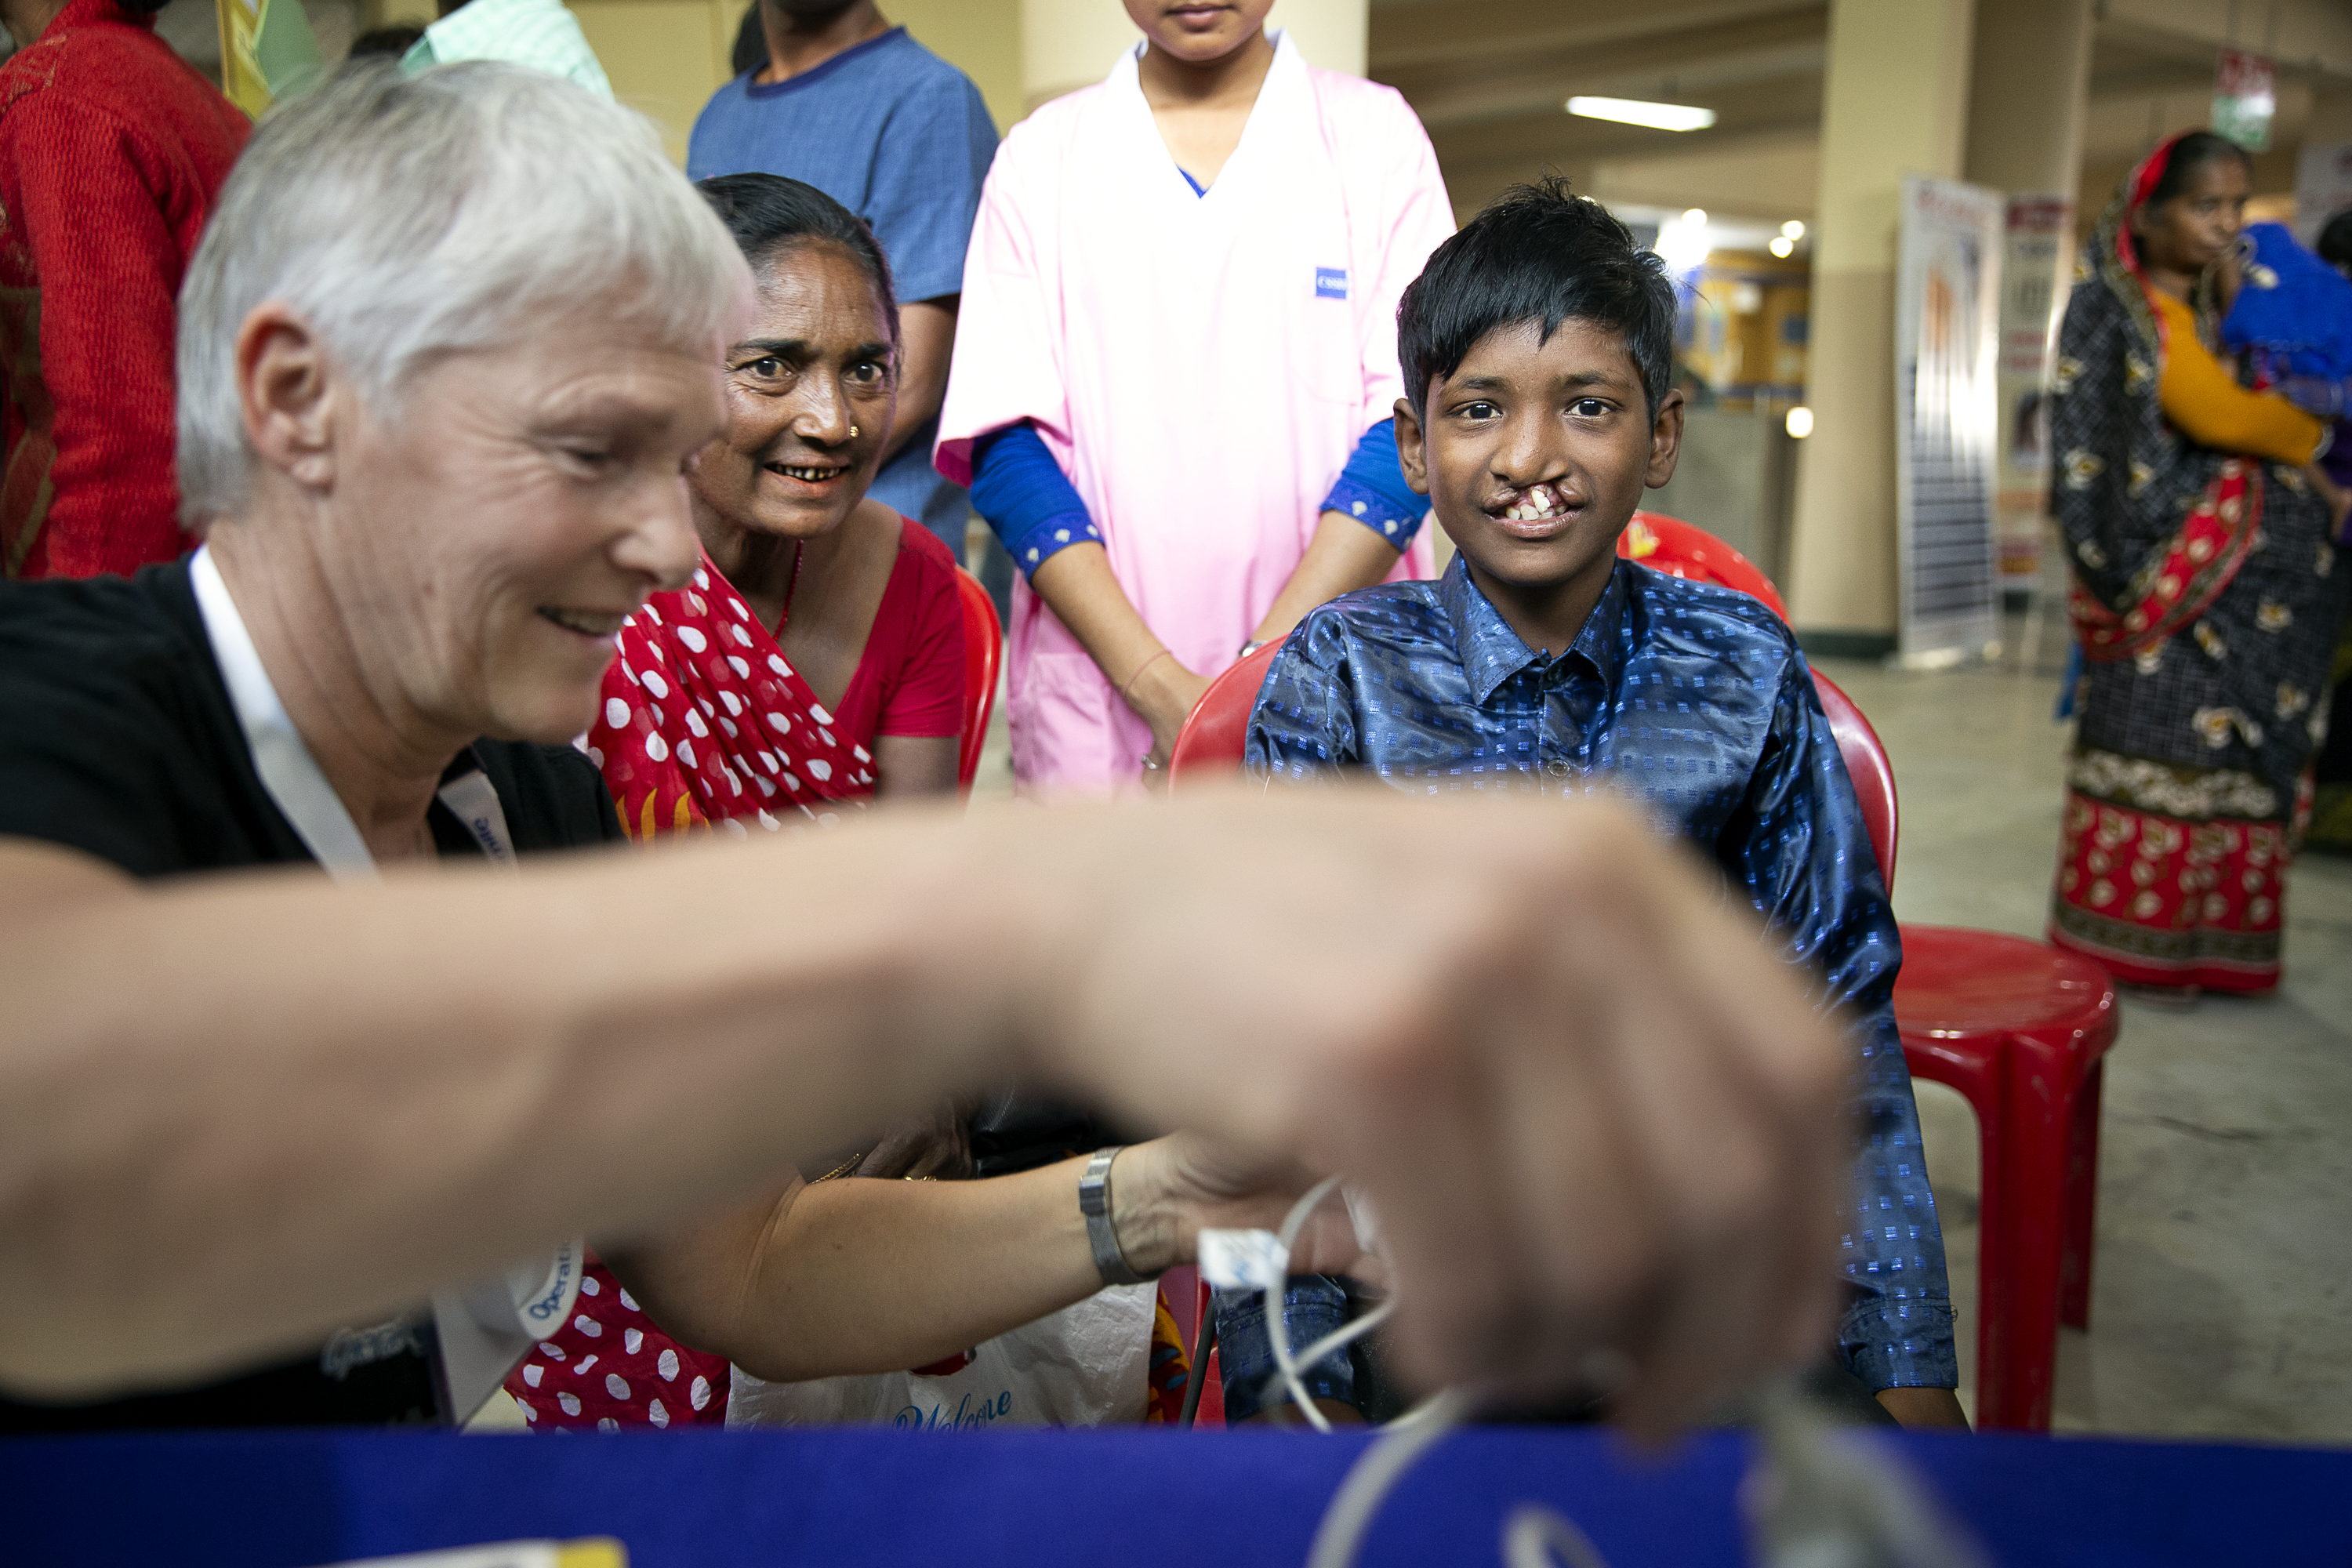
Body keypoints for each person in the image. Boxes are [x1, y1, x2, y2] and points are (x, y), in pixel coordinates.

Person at [0, 63, 1859, 1442]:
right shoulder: (62, 732)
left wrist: (1165, 1193)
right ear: (296, 398)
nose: (668, 545)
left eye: (676, 454)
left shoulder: (516, 795)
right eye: (588, 453)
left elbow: (747, 1264)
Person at [1243, 179, 1965, 1429]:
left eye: (1588, 407)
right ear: (1414, 447)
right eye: (1478, 411)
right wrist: (1283, 1388)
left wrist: (1909, 1365)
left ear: (1663, 434)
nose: (1531, 459)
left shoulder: (1744, 673)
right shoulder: (1338, 678)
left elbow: (1837, 1032)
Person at [512, 172, 974, 1428]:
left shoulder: (920, 588)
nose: (831, 418)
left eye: (865, 370)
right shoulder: (573, 600)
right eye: (770, 368)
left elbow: (915, 910)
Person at [935, 0, 1452, 793]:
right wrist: (1159, 686)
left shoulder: (1374, 137)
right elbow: (1006, 449)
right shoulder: (1044, 157)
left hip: (1336, 669)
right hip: (1106, 695)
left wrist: (1257, 683)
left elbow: (1414, 427)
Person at [2045, 131, 2352, 996]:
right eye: (2203, 205)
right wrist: (2308, 432)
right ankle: (2131, 942)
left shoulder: (2225, 311)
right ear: (2146, 216)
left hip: (2246, 602)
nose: (2224, 226)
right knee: (2160, 742)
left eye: (2235, 207)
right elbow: (2220, 416)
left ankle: (2221, 945)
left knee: (2237, 770)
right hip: (2162, 588)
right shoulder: (2119, 310)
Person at [688, 1, 996, 572]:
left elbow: (915, 381)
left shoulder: (928, 97)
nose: (827, 418)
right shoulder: (723, 112)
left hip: (855, 556)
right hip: (724, 556)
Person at [0, 0, 248, 580]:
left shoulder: (56, 102)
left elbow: (121, 439)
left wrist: (87, 651)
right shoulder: (182, 86)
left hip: (114, 607)